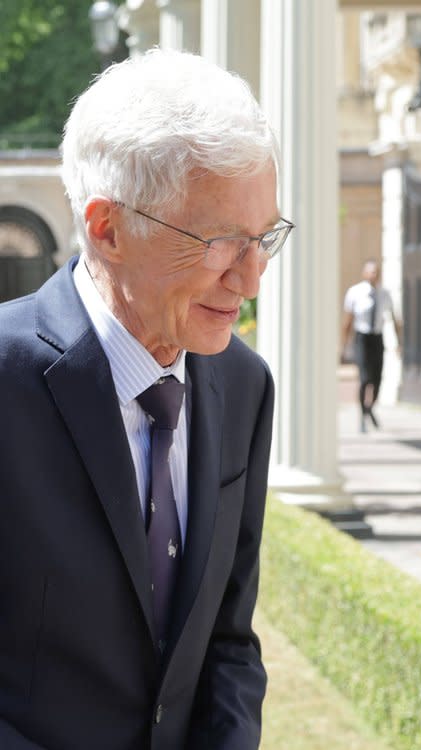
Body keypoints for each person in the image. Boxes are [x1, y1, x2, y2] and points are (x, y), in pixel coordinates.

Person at [0, 50, 289, 749]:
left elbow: (227, 638)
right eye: (221, 242)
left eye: (264, 239)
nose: (249, 280)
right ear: (107, 229)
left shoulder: (244, 383)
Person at [342, 259, 400, 432]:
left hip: (377, 337)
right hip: (362, 338)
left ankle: (369, 408)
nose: (373, 275)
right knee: (364, 378)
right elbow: (348, 321)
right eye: (370, 271)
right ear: (364, 273)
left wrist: (398, 343)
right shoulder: (355, 292)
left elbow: (395, 319)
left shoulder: (385, 294)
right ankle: (362, 415)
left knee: (377, 378)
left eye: (376, 271)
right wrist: (344, 345)